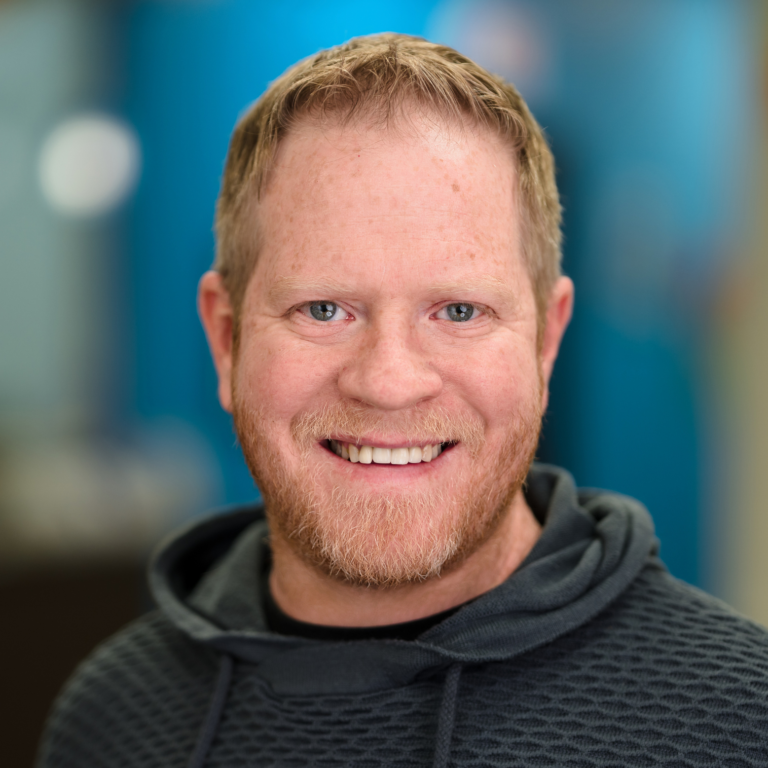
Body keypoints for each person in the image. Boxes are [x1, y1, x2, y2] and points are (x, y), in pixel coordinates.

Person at [38, 34, 768, 768]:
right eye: (324, 310)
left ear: (547, 341)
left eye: (458, 312)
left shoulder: (737, 721)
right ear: (226, 339)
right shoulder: (110, 718)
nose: (389, 382)